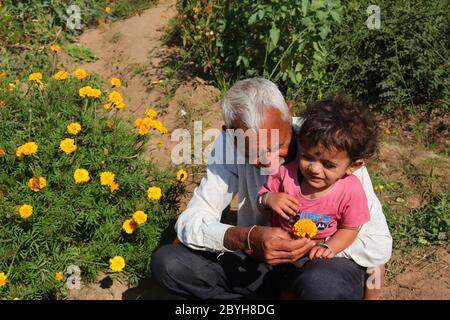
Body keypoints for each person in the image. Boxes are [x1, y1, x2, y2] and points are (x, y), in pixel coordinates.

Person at [151, 78, 392, 299]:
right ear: (231, 137)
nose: (269, 161)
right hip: (261, 264)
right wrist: (246, 237)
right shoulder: (228, 145)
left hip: (318, 267)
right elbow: (190, 221)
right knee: (169, 264)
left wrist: (315, 246)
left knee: (321, 284)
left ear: (289, 113)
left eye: (280, 145)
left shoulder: (330, 146)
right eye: (253, 153)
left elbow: (377, 243)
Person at [258, 96, 377, 264]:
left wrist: (329, 248)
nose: (314, 169)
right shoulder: (285, 174)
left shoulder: (351, 190)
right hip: (281, 250)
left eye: (328, 165)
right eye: (307, 156)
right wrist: (268, 199)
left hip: (316, 256)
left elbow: (349, 229)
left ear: (352, 166)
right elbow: (261, 201)